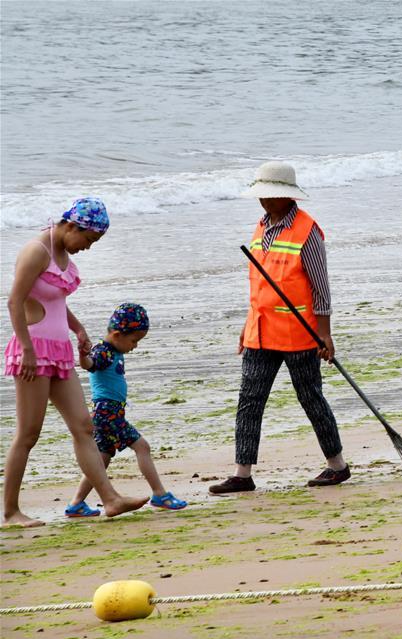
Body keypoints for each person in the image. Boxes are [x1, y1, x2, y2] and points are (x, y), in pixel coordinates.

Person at [3, 198, 148, 527]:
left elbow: (54, 300)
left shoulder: (62, 252)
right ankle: (10, 512)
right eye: (89, 240)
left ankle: (110, 500)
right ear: (72, 226)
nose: (88, 248)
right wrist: (26, 348)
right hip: (33, 351)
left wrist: (78, 327)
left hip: (59, 351)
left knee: (84, 426)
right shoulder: (36, 251)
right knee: (28, 434)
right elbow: (14, 301)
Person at [209, 161, 348, 494]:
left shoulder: (307, 231)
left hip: (300, 333)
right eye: (262, 195)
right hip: (260, 330)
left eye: (271, 195)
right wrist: (246, 326)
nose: (265, 201)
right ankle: (242, 474)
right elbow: (258, 285)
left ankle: (337, 466)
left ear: (287, 196)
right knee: (249, 400)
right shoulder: (260, 227)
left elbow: (321, 288)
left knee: (311, 397)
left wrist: (325, 333)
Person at [65, 303, 187, 517]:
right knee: (142, 447)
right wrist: (83, 354)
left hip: (110, 413)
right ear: (118, 334)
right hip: (108, 413)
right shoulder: (104, 351)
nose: (135, 346)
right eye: (134, 341)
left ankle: (76, 503)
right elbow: (89, 364)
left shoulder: (114, 350)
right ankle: (160, 494)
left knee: (101, 460)